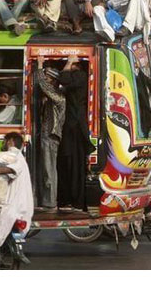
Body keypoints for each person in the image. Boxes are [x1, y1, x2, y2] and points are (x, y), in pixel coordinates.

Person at [57, 55, 93, 212]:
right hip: (74, 126)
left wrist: (69, 62)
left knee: (74, 164)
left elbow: (63, 79)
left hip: (75, 126)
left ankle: (75, 200)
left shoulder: (80, 76)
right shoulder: (79, 78)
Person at [36, 57, 66, 211]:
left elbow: (42, 85)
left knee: (49, 170)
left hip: (51, 135)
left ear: (53, 81)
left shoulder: (58, 97)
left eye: (48, 78)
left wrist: (40, 66)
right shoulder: (51, 97)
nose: (46, 81)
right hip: (47, 135)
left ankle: (50, 202)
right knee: (46, 169)